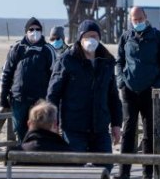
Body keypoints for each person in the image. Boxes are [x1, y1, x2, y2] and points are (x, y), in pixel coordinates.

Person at [46, 19, 122, 166]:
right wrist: (52, 120)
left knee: (106, 165)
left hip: (100, 126)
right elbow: (53, 93)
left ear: (100, 38)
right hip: (74, 126)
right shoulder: (66, 60)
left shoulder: (107, 61)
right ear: (80, 38)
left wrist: (116, 124)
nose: (91, 40)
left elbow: (113, 96)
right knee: (74, 166)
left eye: (95, 36)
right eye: (87, 36)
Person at [115, 6, 160, 179]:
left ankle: (148, 174)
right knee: (128, 130)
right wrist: (121, 81)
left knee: (150, 133)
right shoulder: (126, 37)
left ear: (146, 18)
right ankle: (123, 173)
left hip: (150, 92)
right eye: (135, 19)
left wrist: (157, 86)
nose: (138, 22)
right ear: (130, 19)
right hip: (130, 91)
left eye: (140, 19)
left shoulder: (158, 37)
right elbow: (119, 61)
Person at [0, 17, 57, 143]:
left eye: (37, 29)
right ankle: (22, 159)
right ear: (26, 31)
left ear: (41, 32)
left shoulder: (48, 50)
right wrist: (3, 95)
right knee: (20, 130)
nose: (34, 32)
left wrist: (52, 99)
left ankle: (38, 158)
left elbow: (55, 76)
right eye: (31, 29)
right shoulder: (17, 48)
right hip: (19, 99)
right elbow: (6, 73)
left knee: (40, 131)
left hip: (40, 101)